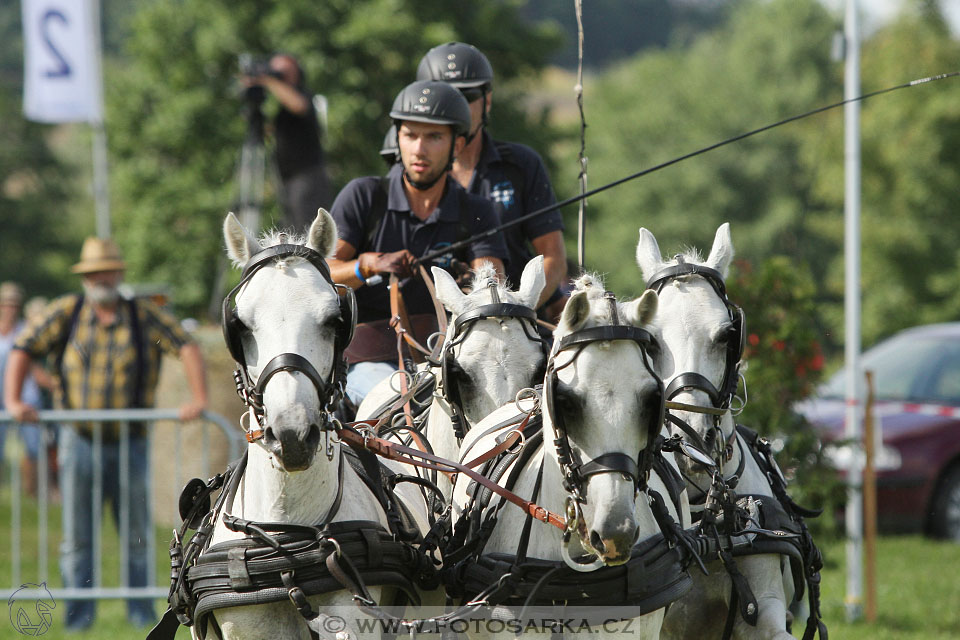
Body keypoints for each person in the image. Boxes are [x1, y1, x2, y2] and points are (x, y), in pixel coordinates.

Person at [3, 237, 208, 630]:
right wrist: (13, 401)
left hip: (131, 441)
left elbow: (187, 343)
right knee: (77, 538)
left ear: (118, 273)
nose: (102, 278)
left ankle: (139, 615)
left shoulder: (141, 314)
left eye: (108, 270)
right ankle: (79, 619)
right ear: (85, 277)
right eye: (94, 272)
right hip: (77, 440)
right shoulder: (67, 311)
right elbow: (22, 346)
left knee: (136, 536)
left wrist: (198, 399)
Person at [327, 80, 508, 408]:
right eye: (410, 135)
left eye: (434, 137)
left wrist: (473, 282)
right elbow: (323, 274)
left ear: (457, 144)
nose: (419, 149)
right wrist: (366, 264)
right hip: (366, 363)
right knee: (403, 397)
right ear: (398, 137)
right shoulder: (363, 196)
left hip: (449, 360)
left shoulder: (476, 210)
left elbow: (492, 283)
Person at [416, 42, 568, 320]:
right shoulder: (409, 174)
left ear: (486, 100)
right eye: (445, 97)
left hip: (517, 319)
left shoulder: (521, 165)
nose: (455, 107)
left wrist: (517, 308)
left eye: (467, 96)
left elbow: (554, 259)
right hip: (434, 324)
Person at [244, 53, 330, 231]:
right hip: (287, 181)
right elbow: (268, 134)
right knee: (291, 230)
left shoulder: (303, 95)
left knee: (306, 234)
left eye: (282, 70)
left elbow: (299, 106)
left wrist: (268, 81)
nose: (277, 74)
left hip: (307, 179)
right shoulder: (282, 110)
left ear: (296, 73)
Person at [0, 282, 44, 496]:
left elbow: (34, 368)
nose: (10, 309)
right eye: (6, 304)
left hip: (25, 395)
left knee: (32, 447)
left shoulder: (25, 331)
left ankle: (31, 495)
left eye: (15, 304)